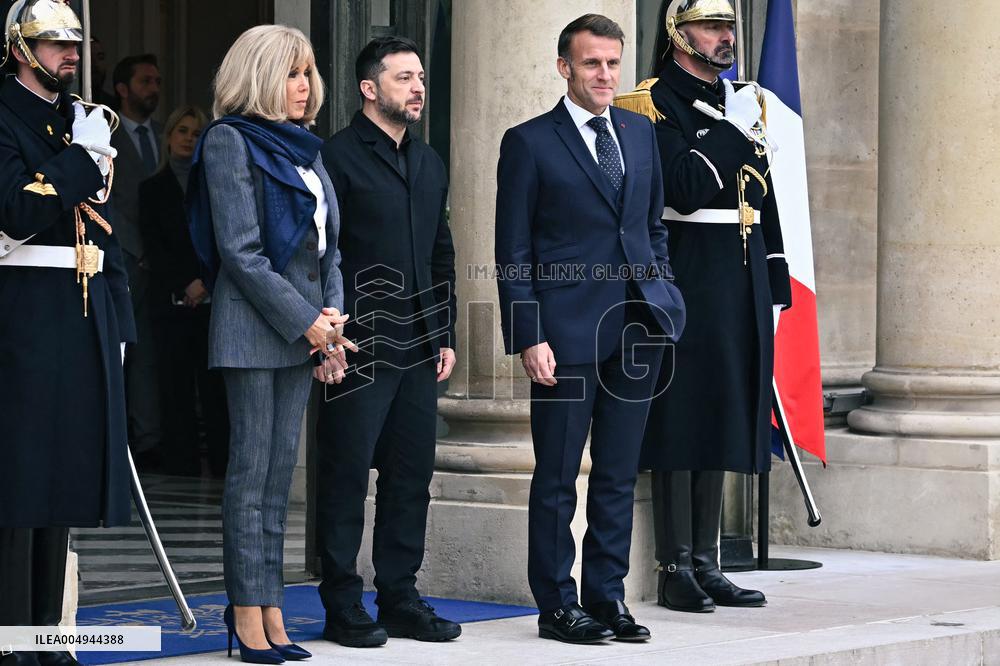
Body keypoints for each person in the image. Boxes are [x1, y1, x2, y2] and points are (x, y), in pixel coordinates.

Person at [495, 14, 685, 645]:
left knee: (617, 474)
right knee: (555, 476)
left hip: (637, 330)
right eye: (591, 64)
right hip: (563, 334)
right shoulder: (528, 142)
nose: (605, 74)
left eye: (612, 63)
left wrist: (664, 294)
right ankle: (556, 604)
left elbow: (651, 226)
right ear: (564, 68)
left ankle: (607, 597)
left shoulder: (638, 132)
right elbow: (513, 250)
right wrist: (529, 334)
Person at [615, 0, 791, 613]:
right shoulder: (650, 103)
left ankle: (709, 560)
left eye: (729, 27)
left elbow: (763, 195)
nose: (725, 37)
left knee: (721, 407)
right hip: (685, 266)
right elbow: (682, 191)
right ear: (677, 32)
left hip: (739, 268)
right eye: (712, 27)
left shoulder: (740, 100)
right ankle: (675, 565)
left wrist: (775, 274)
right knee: (682, 414)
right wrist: (729, 128)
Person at [187, 24, 352, 664]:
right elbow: (242, 254)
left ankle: (272, 607)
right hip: (255, 330)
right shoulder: (228, 140)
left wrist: (331, 315)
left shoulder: (303, 149)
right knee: (250, 479)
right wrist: (309, 322)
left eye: (308, 73)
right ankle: (246, 613)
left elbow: (327, 245)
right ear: (258, 75)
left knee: (282, 480)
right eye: (292, 72)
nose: (305, 86)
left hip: (303, 327)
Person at [315, 36, 459, 648]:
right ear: (369, 89)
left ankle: (399, 595)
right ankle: (342, 601)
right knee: (346, 474)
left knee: (410, 476)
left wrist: (445, 332)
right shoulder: (335, 158)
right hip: (356, 345)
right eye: (404, 78)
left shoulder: (428, 162)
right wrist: (327, 337)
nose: (418, 88)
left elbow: (440, 253)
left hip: (418, 346)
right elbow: (323, 254)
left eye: (420, 77)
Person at [0, 1, 132, 665]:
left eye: (74, 44)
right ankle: (10, 642)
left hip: (74, 308)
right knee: (19, 486)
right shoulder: (3, 115)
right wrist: (82, 156)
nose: (70, 55)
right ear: (20, 49)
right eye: (54, 44)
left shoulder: (68, 117)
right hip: (20, 311)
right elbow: (18, 208)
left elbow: (98, 222)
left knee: (60, 483)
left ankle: (47, 638)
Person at [138, 105, 229, 478]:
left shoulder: (213, 186)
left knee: (215, 389)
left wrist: (205, 282)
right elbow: (154, 247)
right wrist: (185, 283)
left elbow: (223, 238)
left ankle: (222, 463)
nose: (189, 139)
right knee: (174, 386)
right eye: (182, 132)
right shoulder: (152, 189)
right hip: (170, 300)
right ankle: (182, 466)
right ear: (169, 137)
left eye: (195, 133)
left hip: (212, 301)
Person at [110, 52, 164, 468]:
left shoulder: (168, 134)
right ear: (122, 89)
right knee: (122, 349)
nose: (154, 90)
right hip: (123, 258)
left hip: (164, 267)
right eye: (146, 81)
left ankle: (151, 438)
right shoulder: (103, 136)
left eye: (157, 82)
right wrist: (136, 251)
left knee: (155, 353)